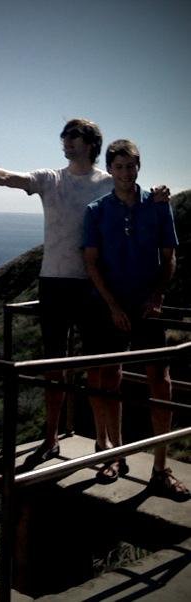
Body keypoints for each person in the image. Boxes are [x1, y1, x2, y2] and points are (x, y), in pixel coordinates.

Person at [0, 119, 169, 465]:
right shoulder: (50, 179)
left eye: (73, 137)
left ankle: (106, 446)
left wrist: (159, 195)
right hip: (54, 282)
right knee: (54, 366)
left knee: (100, 370)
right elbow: (7, 177)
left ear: (91, 144)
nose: (65, 142)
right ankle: (51, 439)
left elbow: (138, 196)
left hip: (95, 286)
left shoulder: (110, 180)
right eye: (64, 137)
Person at [83, 139, 189, 500]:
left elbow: (169, 257)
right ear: (109, 169)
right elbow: (91, 262)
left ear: (139, 167)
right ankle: (115, 455)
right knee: (108, 377)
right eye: (120, 167)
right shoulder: (97, 211)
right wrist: (112, 306)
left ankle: (161, 469)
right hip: (110, 306)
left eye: (131, 166)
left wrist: (157, 295)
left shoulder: (158, 205)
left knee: (160, 381)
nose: (126, 173)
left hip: (148, 308)